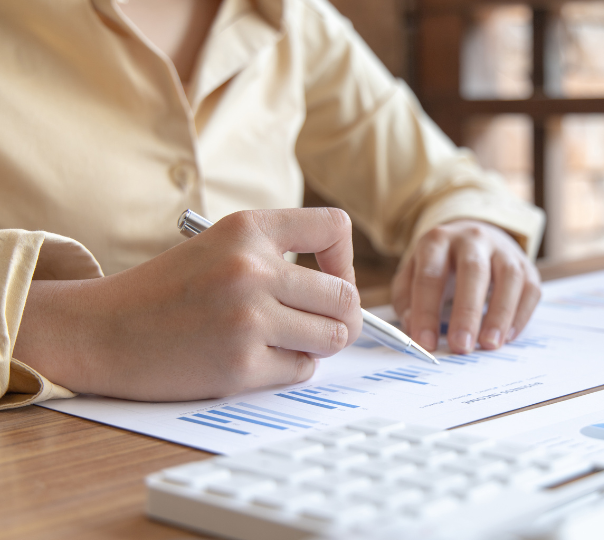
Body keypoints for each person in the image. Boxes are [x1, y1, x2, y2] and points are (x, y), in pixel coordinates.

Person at [0, 0, 544, 408]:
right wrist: (96, 332)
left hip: (260, 442)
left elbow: (441, 181)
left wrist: (473, 227)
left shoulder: (293, 15)